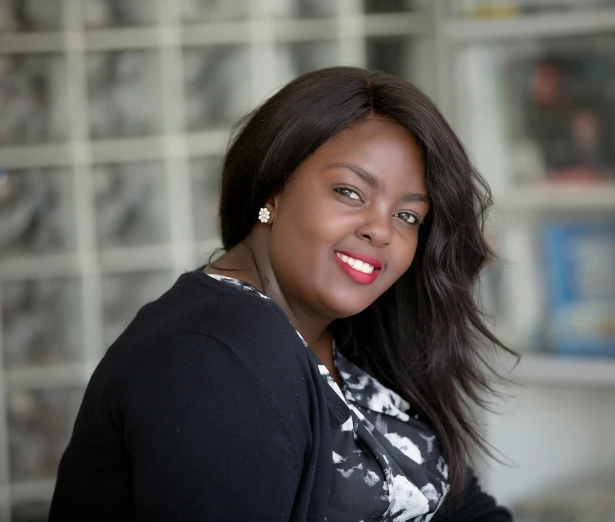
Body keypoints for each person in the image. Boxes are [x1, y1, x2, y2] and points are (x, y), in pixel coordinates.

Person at [49, 66, 515, 521]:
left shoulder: (353, 338)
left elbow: (465, 509)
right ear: (274, 189)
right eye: (350, 192)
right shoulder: (211, 361)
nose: (381, 230)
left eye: (408, 216)